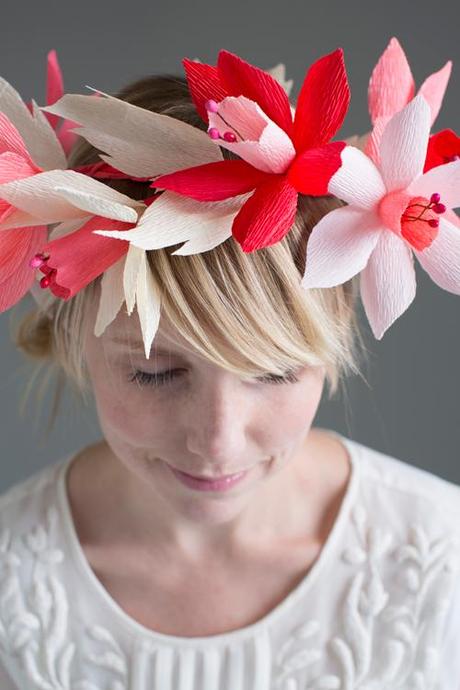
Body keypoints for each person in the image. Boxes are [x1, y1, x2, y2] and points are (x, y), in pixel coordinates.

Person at [0, 46, 459, 689]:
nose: (215, 442)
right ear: (75, 340)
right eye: (155, 373)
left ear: (331, 348)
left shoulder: (444, 562)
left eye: (271, 374)